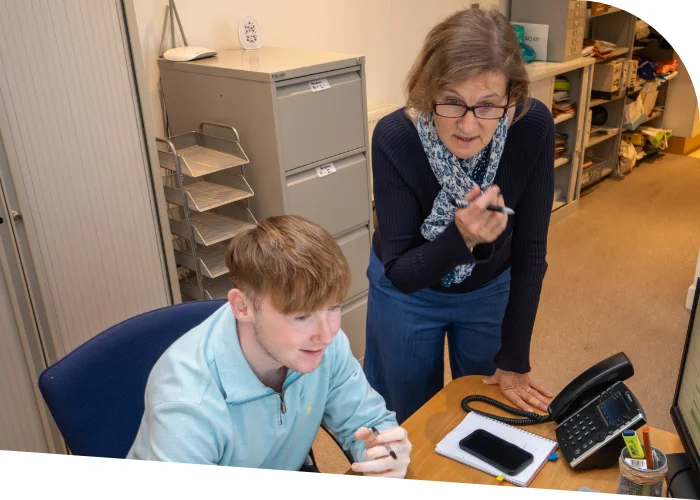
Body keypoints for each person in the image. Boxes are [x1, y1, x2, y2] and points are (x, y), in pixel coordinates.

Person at [364, 7, 555, 424]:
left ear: (511, 100)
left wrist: (515, 357)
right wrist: (462, 237)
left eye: (487, 105)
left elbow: (531, 252)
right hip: (407, 292)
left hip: (488, 288)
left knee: (490, 415)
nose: (468, 126)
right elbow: (402, 271)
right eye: (452, 101)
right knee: (406, 421)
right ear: (426, 91)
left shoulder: (531, 126)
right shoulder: (396, 137)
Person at [127, 215, 411, 478]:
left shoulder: (322, 345)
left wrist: (385, 452)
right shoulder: (188, 401)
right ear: (243, 306)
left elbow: (369, 421)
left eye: (333, 307)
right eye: (301, 316)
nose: (326, 335)